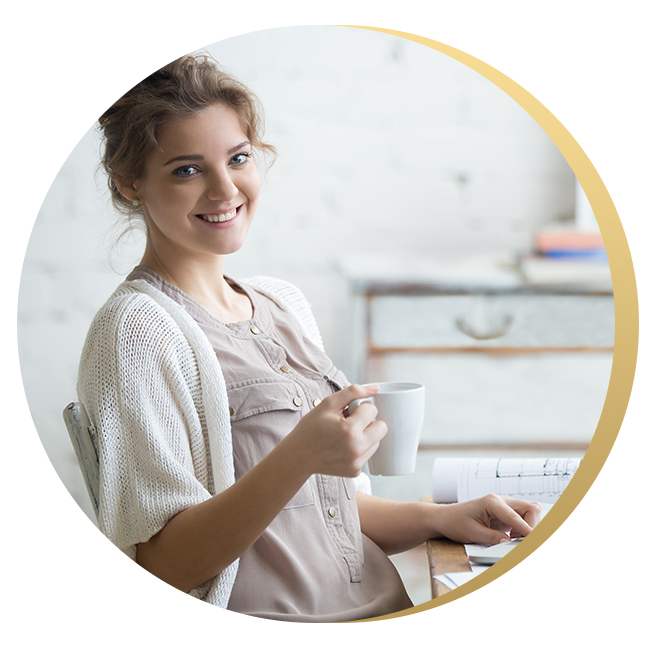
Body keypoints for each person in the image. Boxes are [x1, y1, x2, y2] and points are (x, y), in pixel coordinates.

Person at [77, 53, 541, 622]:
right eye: (187, 169)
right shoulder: (137, 331)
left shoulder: (282, 303)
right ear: (131, 184)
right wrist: (297, 456)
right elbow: (161, 569)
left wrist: (441, 518)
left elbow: (330, 511)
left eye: (238, 158)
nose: (226, 189)